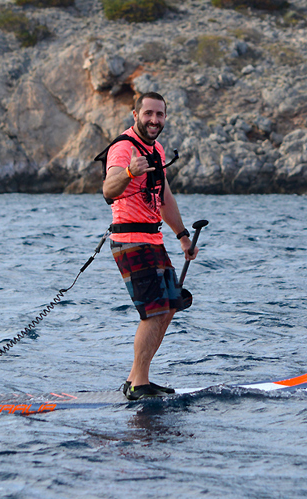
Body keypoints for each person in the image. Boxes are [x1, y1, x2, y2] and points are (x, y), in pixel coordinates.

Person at [101, 92, 198, 400]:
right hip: (130, 240)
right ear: (135, 115)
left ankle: (136, 379)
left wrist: (182, 235)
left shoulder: (156, 149)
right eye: (148, 114)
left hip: (153, 239)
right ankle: (138, 384)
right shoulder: (123, 148)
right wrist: (130, 172)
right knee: (153, 311)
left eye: (160, 114)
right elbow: (108, 190)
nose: (154, 119)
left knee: (169, 307)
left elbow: (165, 197)